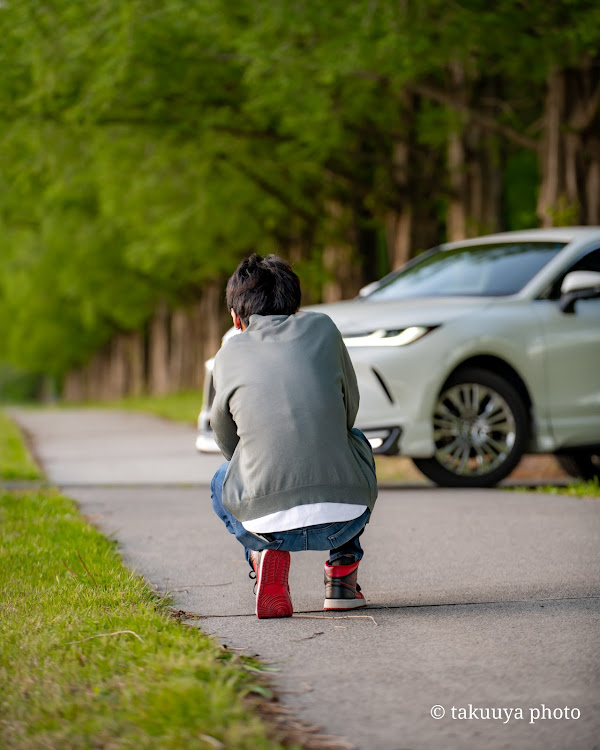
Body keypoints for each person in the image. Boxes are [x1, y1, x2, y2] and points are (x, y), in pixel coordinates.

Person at [210, 253, 377, 619]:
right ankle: (342, 578)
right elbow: (349, 413)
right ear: (295, 304)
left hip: (265, 520)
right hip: (342, 518)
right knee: (355, 442)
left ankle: (259, 552)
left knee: (220, 479)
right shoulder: (324, 328)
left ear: (237, 318)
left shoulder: (228, 353)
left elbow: (227, 445)